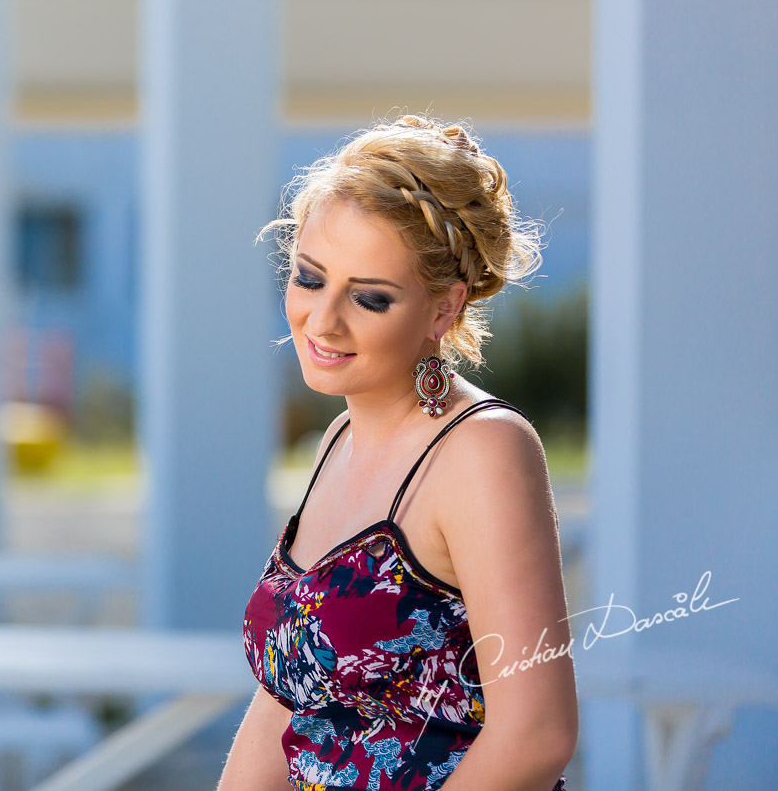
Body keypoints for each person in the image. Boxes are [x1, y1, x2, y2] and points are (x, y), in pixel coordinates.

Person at [219, 115, 578, 790]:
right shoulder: (338, 440)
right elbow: (291, 693)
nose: (322, 321)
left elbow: (537, 734)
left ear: (443, 310)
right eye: (309, 278)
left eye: (371, 298)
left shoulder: (482, 451)